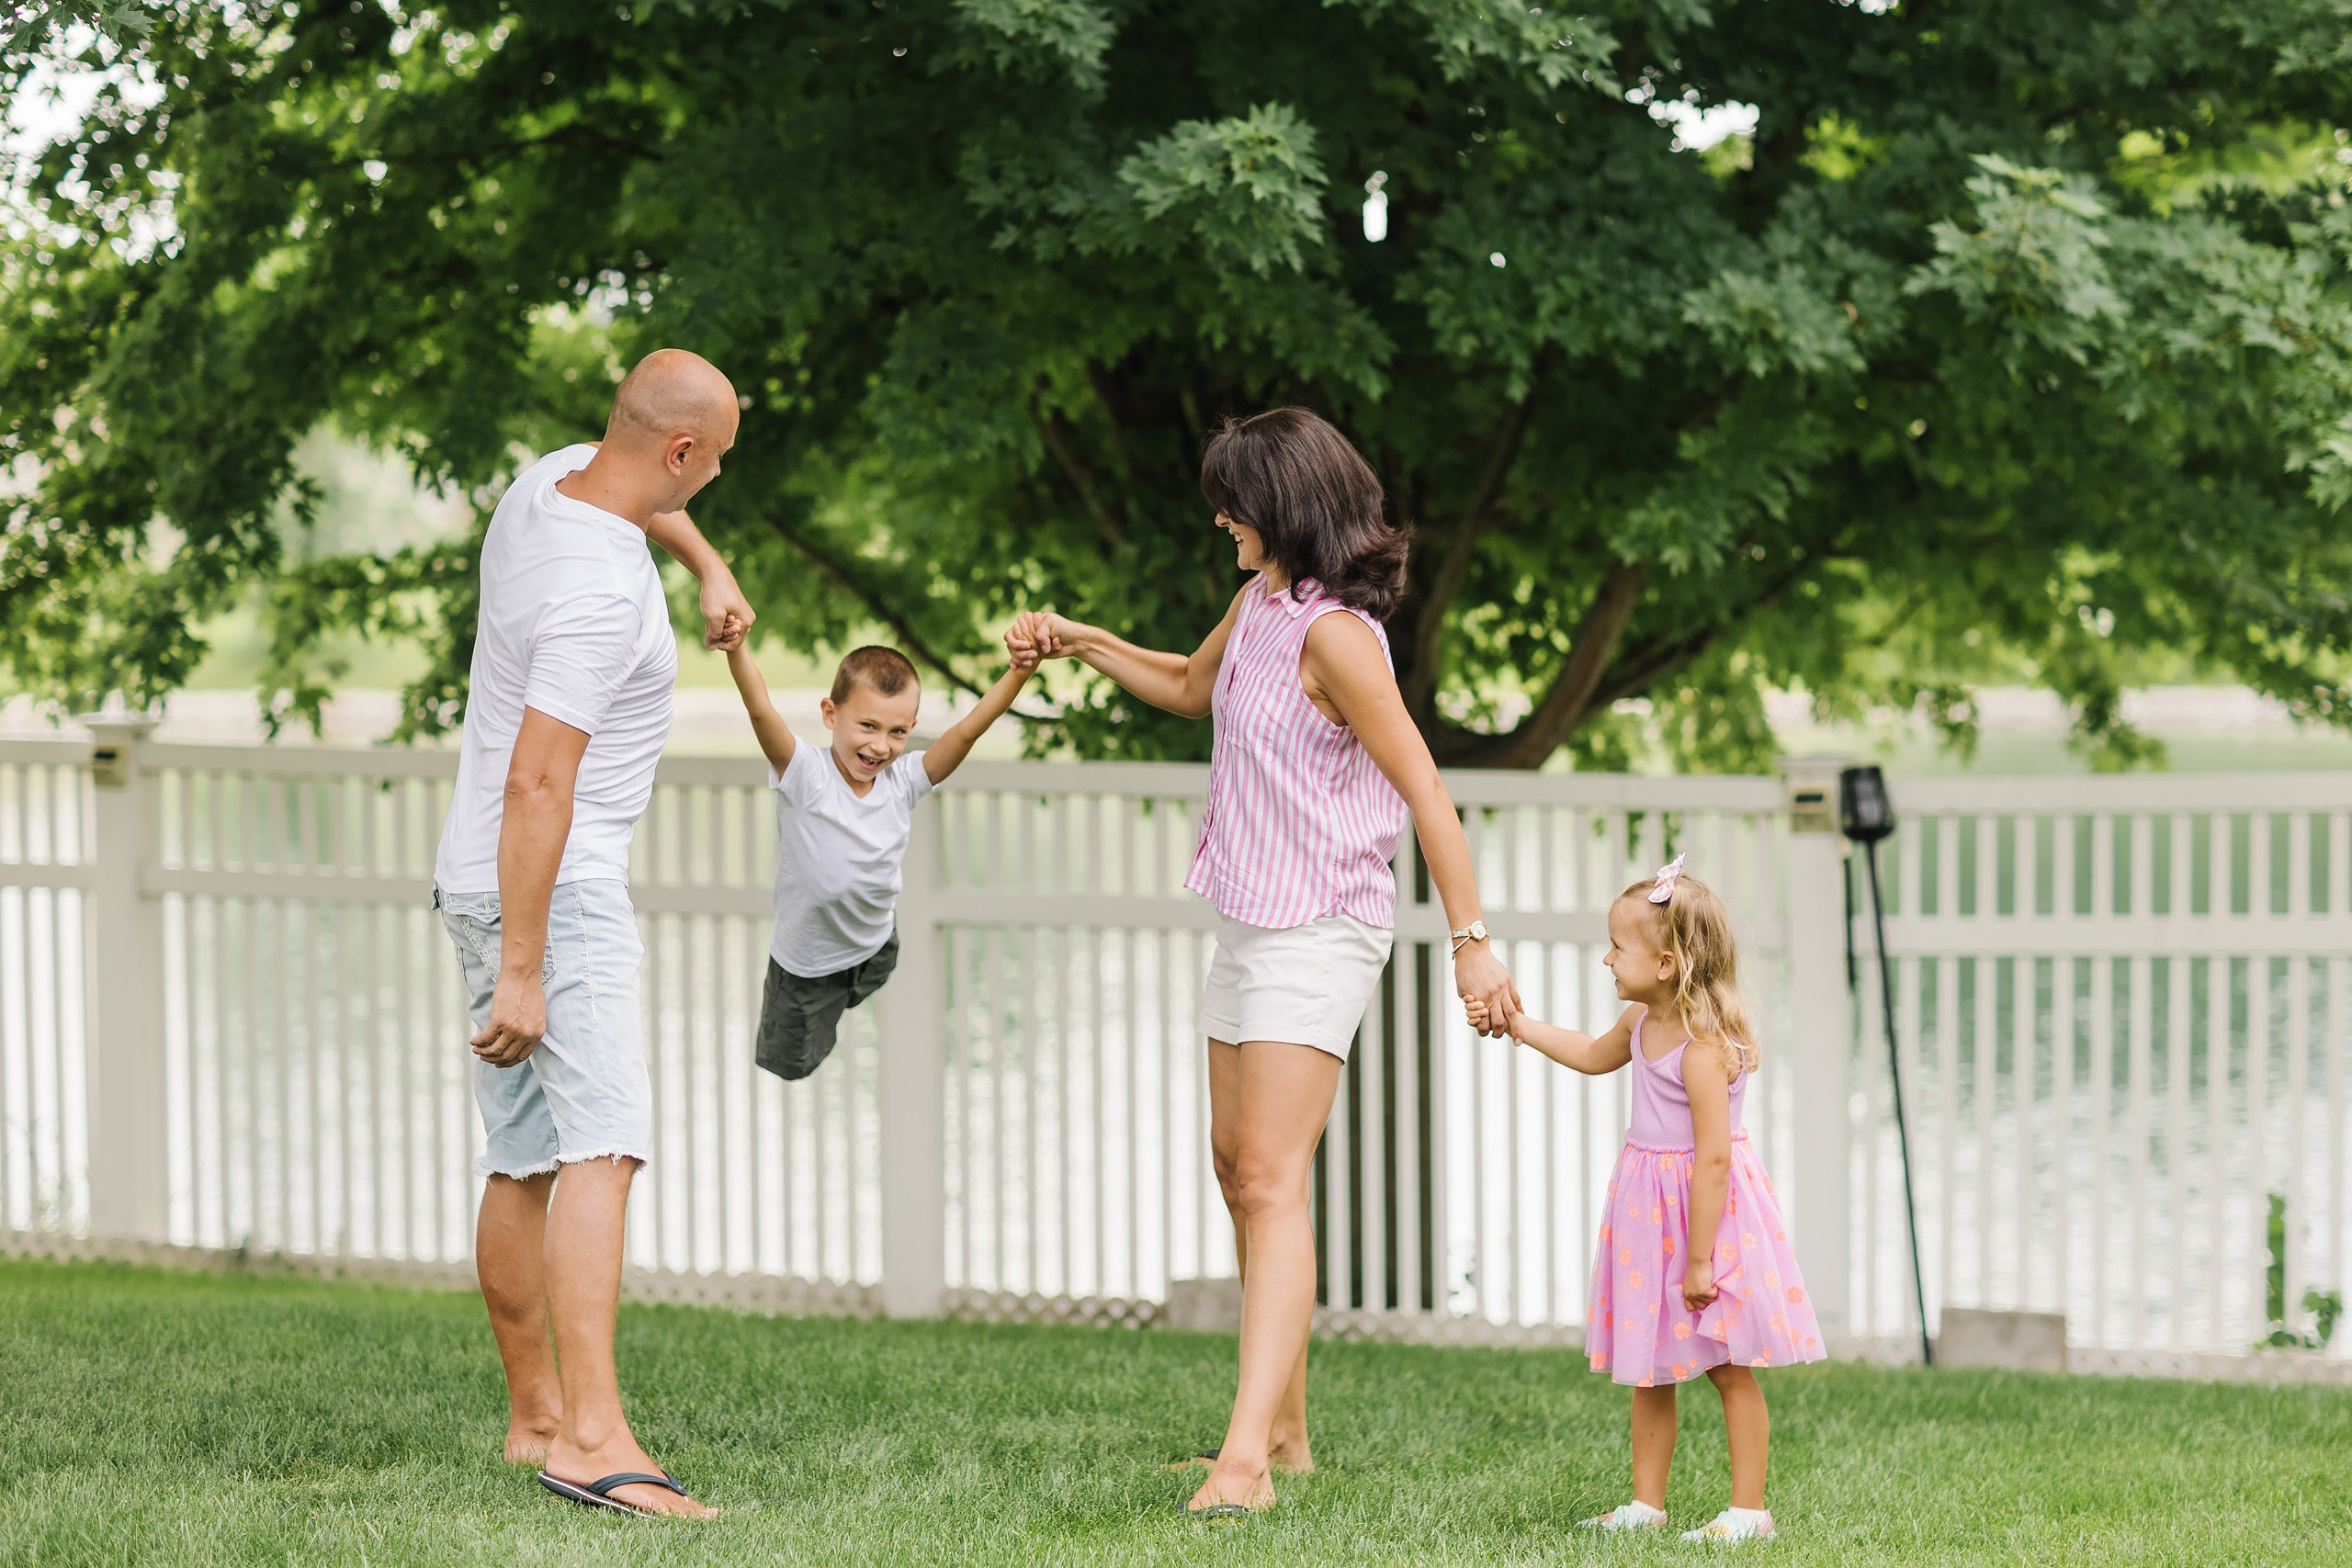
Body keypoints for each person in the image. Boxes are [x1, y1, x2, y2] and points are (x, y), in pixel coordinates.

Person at [1005, 407, 1521, 1519]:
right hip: (1250, 915)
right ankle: (1280, 1436)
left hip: (1322, 924)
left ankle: (1243, 1466)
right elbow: (1192, 687)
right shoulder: (1261, 605)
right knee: (1237, 1169)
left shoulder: (1336, 634)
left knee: (1275, 1180)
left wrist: (1471, 943)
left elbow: (1426, 786)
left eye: (1233, 500)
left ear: (1283, 504)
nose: (1221, 517)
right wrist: (1082, 639)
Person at [433, 348, 752, 1520]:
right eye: (711, 465)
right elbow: (539, 783)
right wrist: (526, 970)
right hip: (551, 891)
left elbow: (640, 502)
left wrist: (710, 566)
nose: (709, 481)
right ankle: (597, 1443)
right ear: (677, 451)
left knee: (521, 1152)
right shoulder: (599, 594)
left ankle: (534, 1421)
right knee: (601, 1144)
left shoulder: (547, 484)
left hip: (473, 876)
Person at [1466, 854, 1823, 1546]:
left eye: (1617, 947)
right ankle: (1645, 1503)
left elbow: (1714, 1158)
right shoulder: (1640, 1020)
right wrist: (1518, 1025)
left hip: (1703, 1218)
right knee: (1649, 1365)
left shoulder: (1699, 1049)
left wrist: (1699, 1262)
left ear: (1665, 962)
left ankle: (1749, 1509)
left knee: (1726, 1365)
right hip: (1647, 1214)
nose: (1605, 958)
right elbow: (1593, 1054)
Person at [723, 640, 1033, 1079]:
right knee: (789, 1066)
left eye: (897, 732)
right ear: (830, 714)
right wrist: (736, 649)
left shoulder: (903, 780)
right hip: (808, 963)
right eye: (867, 725)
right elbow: (760, 710)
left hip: (875, 947)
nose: (881, 746)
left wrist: (1019, 672)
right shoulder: (806, 775)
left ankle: (844, 998)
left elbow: (967, 730)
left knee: (870, 979)